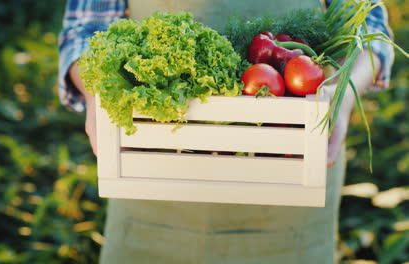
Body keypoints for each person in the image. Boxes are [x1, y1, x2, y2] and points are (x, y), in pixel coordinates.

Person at [58, 0, 394, 263]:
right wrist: (97, 95)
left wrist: (343, 96)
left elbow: (368, 31)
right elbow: (86, 30)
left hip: (290, 191)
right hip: (152, 185)